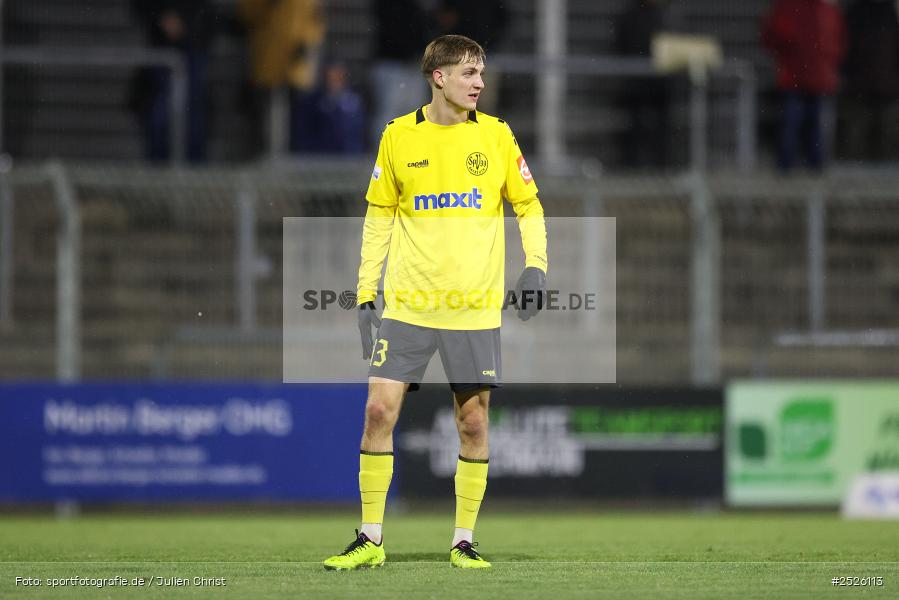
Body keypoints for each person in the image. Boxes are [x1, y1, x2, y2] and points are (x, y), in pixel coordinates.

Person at [323, 35, 548, 571]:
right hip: (407, 306)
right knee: (378, 411)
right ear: (438, 77)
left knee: (471, 424)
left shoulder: (495, 136)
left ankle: (463, 540)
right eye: (469, 72)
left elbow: (529, 204)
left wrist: (536, 265)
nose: (479, 83)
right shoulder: (398, 137)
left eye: (482, 73)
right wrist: (363, 295)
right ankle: (370, 538)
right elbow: (378, 220)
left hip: (472, 309)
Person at [762, 0, 847, 172]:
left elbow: (838, 42)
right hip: (798, 77)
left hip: (813, 78)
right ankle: (790, 168)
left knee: (809, 126)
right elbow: (772, 36)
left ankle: (808, 167)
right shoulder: (793, 7)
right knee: (794, 125)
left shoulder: (824, 9)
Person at [131, 0, 214, 163]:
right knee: (162, 113)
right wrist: (162, 15)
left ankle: (193, 170)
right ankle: (159, 170)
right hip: (164, 47)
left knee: (193, 113)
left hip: (195, 41)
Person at [238, 0, 326, 154]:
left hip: (295, 61)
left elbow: (316, 18)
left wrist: (308, 41)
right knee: (263, 110)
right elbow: (247, 14)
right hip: (266, 57)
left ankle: (295, 153)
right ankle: (262, 153)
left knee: (297, 111)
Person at [614, 0, 679, 168]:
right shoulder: (631, 14)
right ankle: (631, 165)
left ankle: (662, 166)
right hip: (635, 84)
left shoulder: (665, 15)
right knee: (634, 126)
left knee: (661, 127)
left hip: (660, 84)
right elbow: (622, 43)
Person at [369, 0, 433, 146]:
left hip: (413, 65)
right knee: (388, 114)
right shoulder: (390, 5)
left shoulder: (415, 7)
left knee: (414, 113)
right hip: (392, 64)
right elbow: (396, 27)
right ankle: (382, 155)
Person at [841, 0, 899, 161]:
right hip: (875, 83)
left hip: (869, 83)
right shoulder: (887, 13)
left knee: (867, 133)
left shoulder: (856, 11)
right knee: (866, 133)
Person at [293, 62, 365, 154]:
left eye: (339, 76)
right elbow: (304, 133)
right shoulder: (312, 102)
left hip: (348, 157)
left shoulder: (355, 101)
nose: (335, 80)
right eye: (332, 76)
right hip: (320, 157)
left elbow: (358, 133)